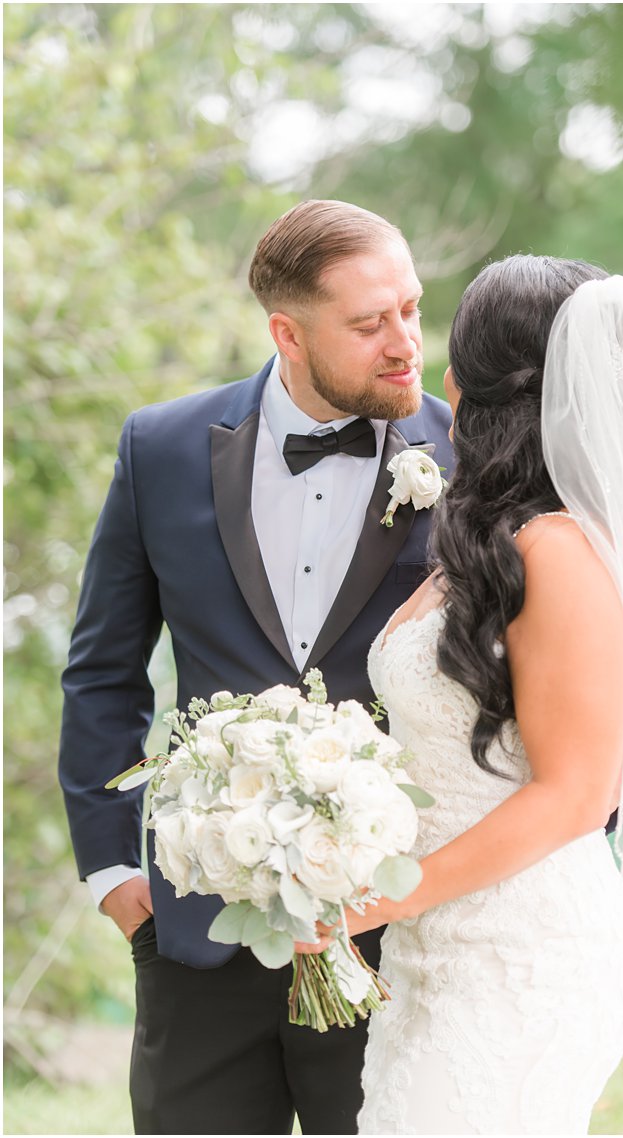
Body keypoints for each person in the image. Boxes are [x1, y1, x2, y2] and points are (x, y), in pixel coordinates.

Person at [299, 256, 623, 1133]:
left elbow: (581, 792)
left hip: (521, 958)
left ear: (457, 387)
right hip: (435, 951)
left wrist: (386, 895)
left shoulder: (558, 552)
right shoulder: (491, 538)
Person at [58, 200, 456, 1133]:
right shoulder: (158, 449)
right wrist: (117, 877)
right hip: (198, 928)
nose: (405, 342)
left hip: (397, 939)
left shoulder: (468, 456)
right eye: (369, 324)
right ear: (287, 331)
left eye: (411, 307)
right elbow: (103, 671)